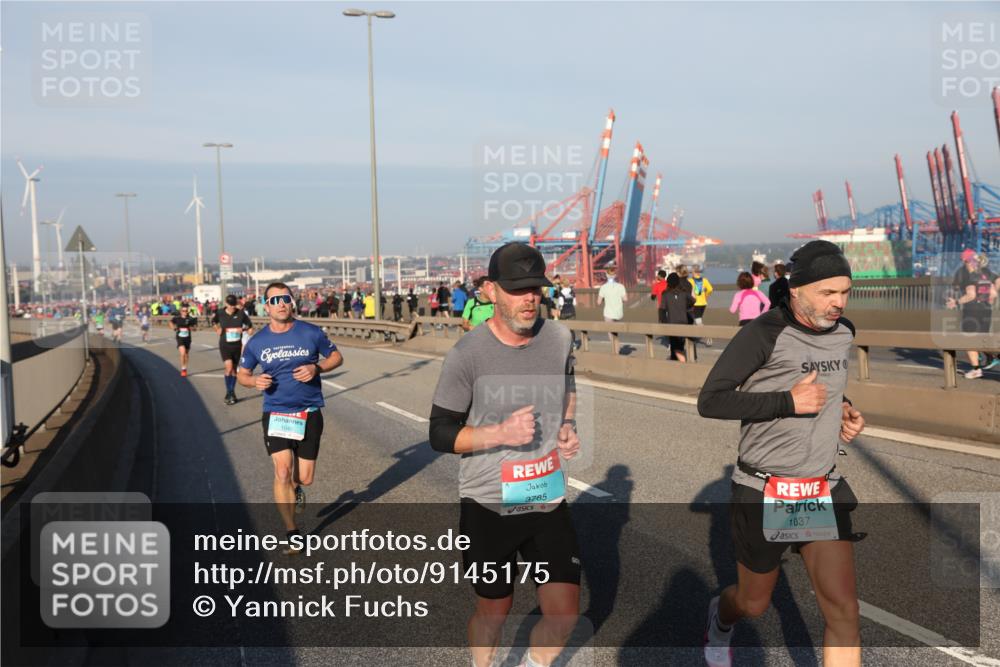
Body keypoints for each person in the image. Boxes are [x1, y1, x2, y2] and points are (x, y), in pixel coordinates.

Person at [698, 240, 865, 667]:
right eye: (827, 293)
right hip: (765, 489)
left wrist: (844, 411)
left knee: (844, 611)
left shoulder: (844, 332)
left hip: (820, 488)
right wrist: (787, 402)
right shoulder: (763, 333)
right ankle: (721, 617)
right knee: (753, 604)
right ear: (796, 289)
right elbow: (711, 400)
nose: (838, 303)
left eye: (845, 292)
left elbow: (828, 388)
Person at [429, 242, 581, 667]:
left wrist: (567, 428)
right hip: (487, 504)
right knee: (493, 611)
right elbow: (440, 434)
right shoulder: (467, 355)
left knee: (565, 613)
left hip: (545, 496)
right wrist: (500, 432)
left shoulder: (559, 337)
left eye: (536, 287)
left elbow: (566, 388)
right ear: (491, 290)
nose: (530, 297)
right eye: (517, 289)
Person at [237, 282, 344, 550]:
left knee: (304, 478)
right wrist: (254, 382)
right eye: (274, 300)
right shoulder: (257, 341)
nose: (281, 304)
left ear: (292, 301)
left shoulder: (310, 332)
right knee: (282, 471)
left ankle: (297, 489)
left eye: (285, 298)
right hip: (276, 413)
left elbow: (336, 357)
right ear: (266, 306)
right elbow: (242, 374)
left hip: (308, 412)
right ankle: (291, 531)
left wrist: (316, 368)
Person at [947, 248, 999, 378]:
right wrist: (990, 297)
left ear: (966, 260)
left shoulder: (967, 275)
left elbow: (971, 295)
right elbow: (995, 287)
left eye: (963, 261)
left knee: (969, 340)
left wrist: (956, 302)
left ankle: (976, 370)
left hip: (972, 311)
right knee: (983, 339)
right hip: (986, 310)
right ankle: (996, 356)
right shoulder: (986, 272)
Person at [213, 294, 255, 405]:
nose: (232, 307)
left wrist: (246, 330)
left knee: (234, 371)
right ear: (226, 304)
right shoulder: (220, 313)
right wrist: (217, 329)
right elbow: (213, 322)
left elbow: (250, 326)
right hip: (225, 345)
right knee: (229, 367)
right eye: (230, 305)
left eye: (234, 305)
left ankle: (231, 392)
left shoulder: (240, 313)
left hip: (237, 346)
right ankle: (229, 392)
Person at [663, 273, 695, 362]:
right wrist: (685, 305)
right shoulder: (684, 293)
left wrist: (663, 322)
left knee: (674, 346)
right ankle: (678, 362)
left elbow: (662, 309)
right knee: (680, 345)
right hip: (683, 322)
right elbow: (693, 300)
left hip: (672, 323)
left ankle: (681, 362)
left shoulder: (666, 294)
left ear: (668, 283)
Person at [597, 267, 628, 351]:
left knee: (611, 333)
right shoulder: (621, 286)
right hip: (618, 313)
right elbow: (625, 299)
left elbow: (598, 302)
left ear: (606, 275)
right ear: (615, 275)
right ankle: (616, 349)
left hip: (608, 313)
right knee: (615, 332)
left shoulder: (603, 287)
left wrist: (605, 298)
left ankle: (616, 350)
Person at [169, 304, 199, 377]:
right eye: (183, 311)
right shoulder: (177, 318)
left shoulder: (190, 318)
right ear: (181, 311)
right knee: (182, 353)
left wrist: (193, 328)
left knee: (186, 354)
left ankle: (185, 367)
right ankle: (183, 369)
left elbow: (195, 327)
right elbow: (170, 322)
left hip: (187, 338)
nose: (185, 312)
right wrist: (173, 328)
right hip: (180, 337)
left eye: (186, 311)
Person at [689, 265, 714, 346]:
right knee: (698, 321)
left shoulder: (690, 281)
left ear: (694, 272)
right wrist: (706, 296)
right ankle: (695, 337)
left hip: (695, 304)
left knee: (698, 321)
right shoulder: (704, 280)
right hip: (703, 303)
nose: (691, 273)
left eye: (691, 272)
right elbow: (710, 289)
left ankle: (708, 335)